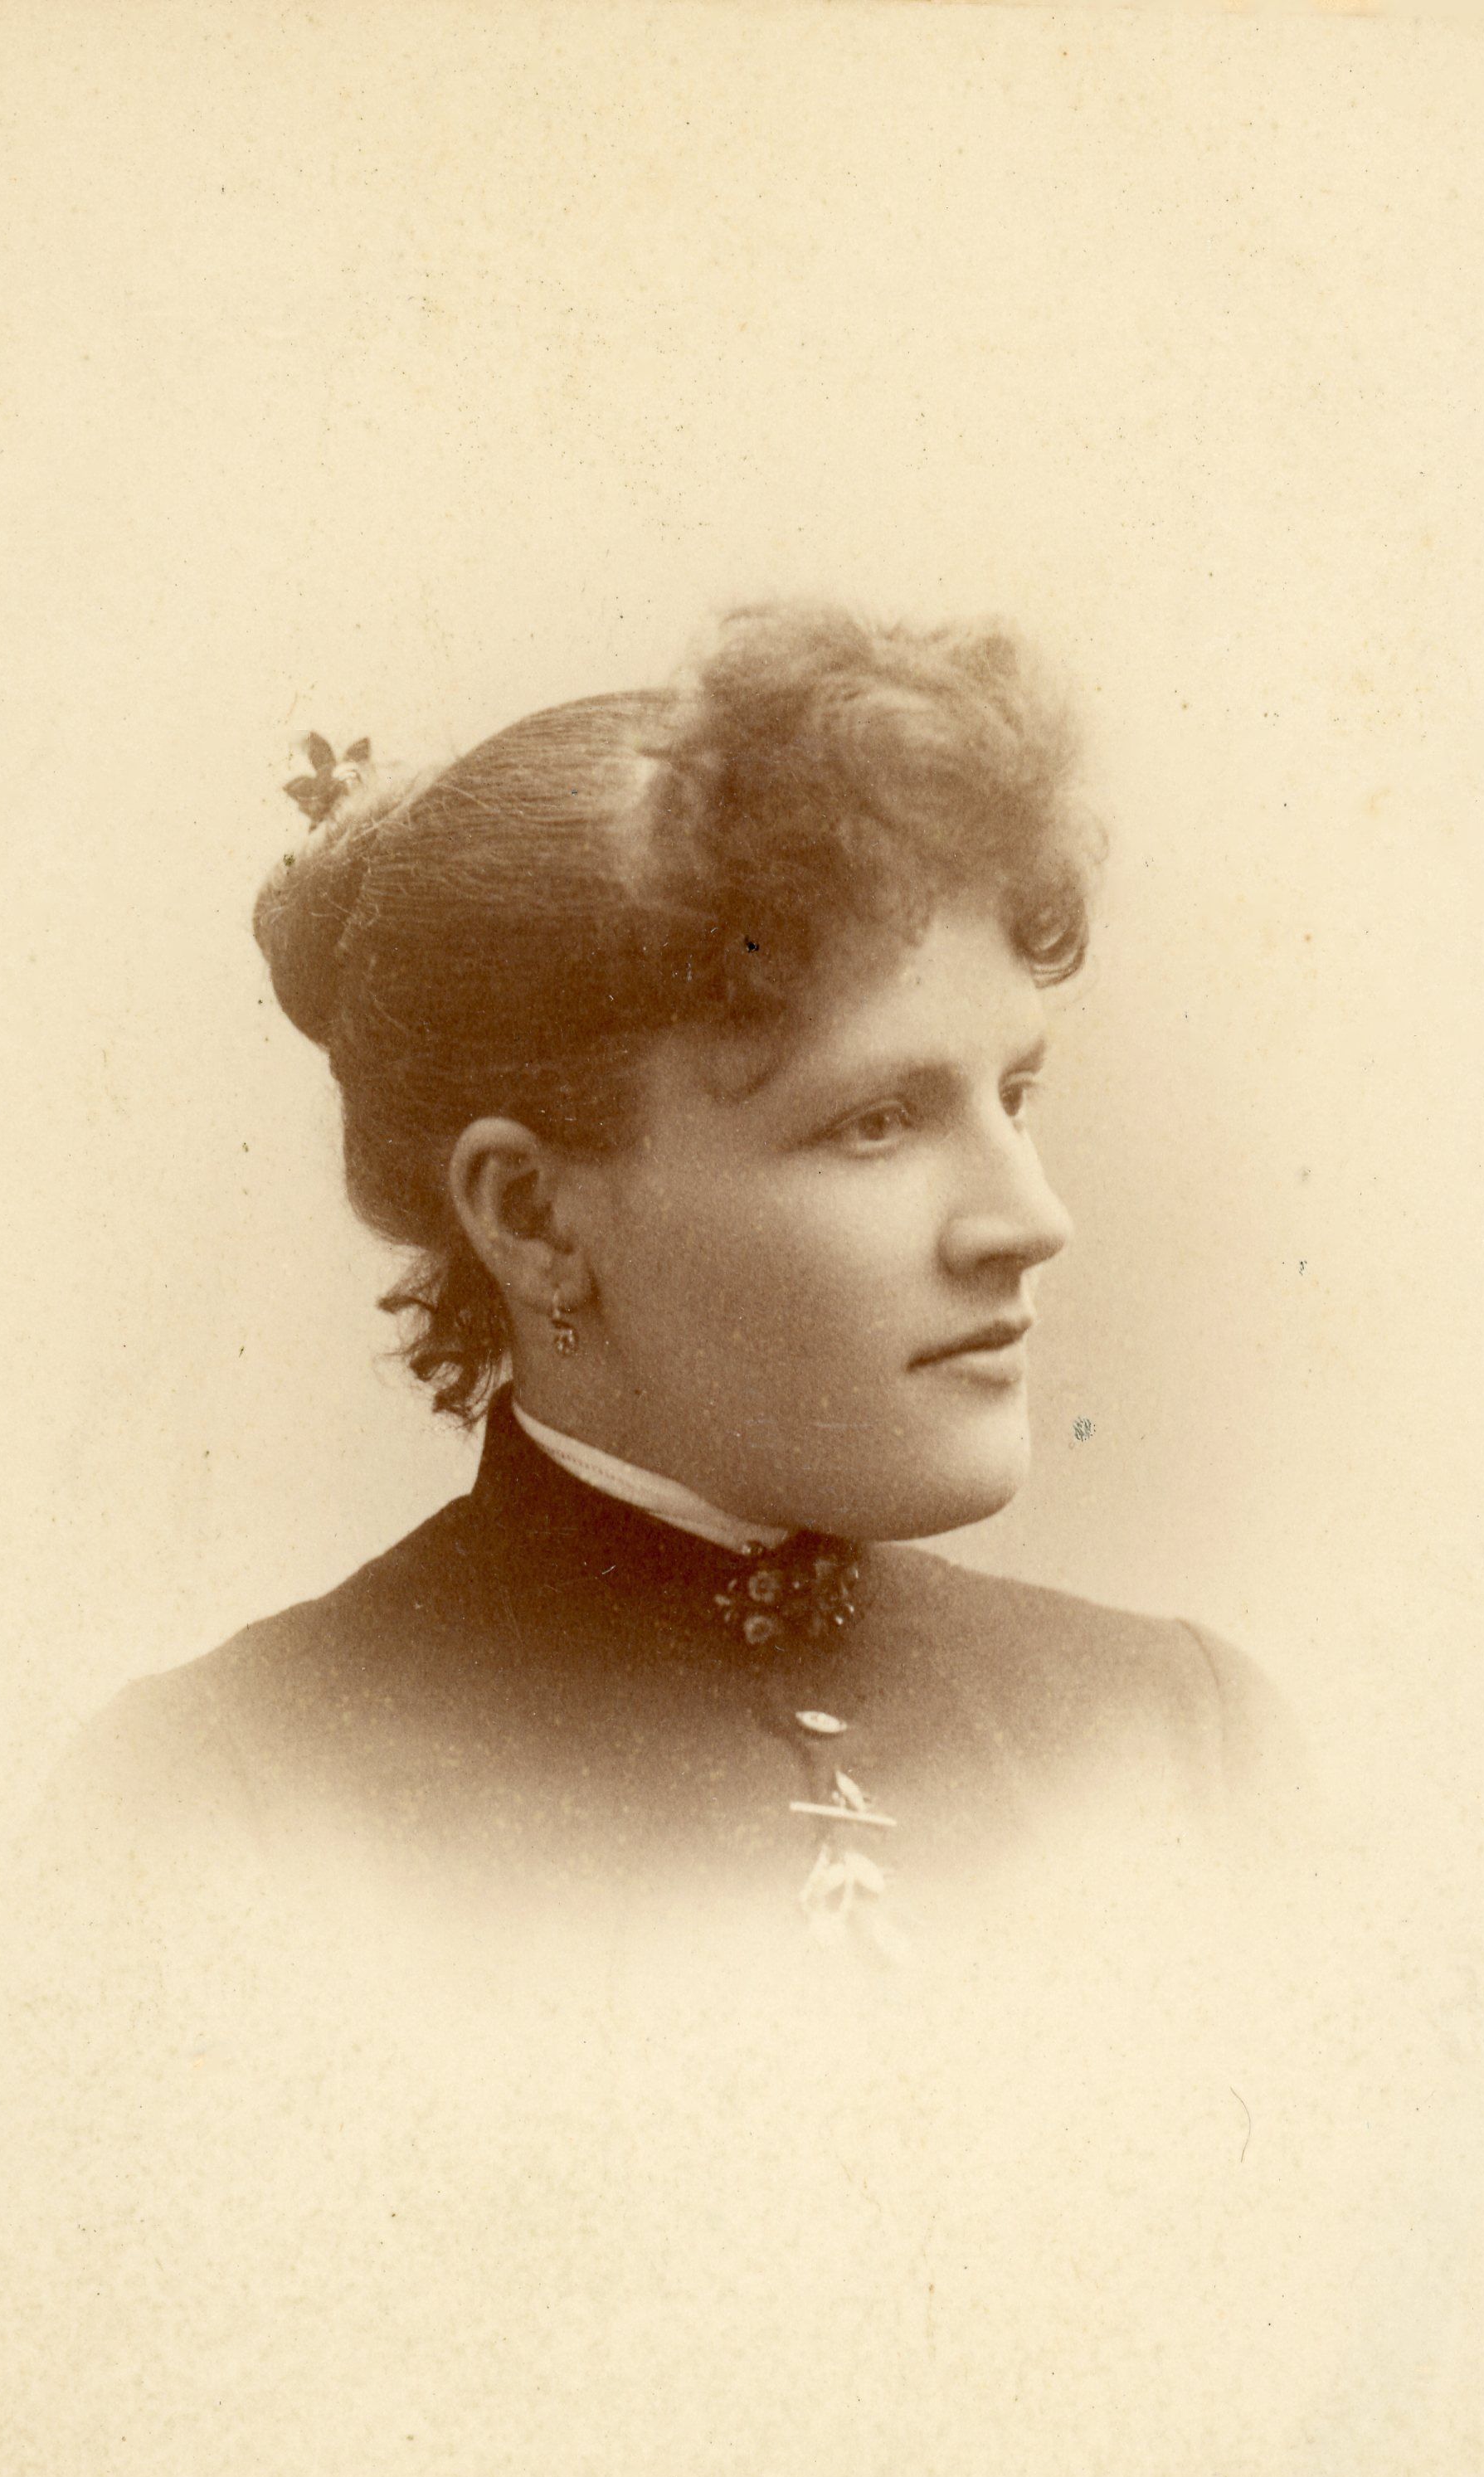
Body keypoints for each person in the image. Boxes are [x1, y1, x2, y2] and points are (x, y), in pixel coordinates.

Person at [85, 602, 1281, 1949]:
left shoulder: (1186, 1745)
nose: (1029, 1218)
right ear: (531, 1215)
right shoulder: (219, 1810)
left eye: (1015, 1095)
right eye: (875, 1121)